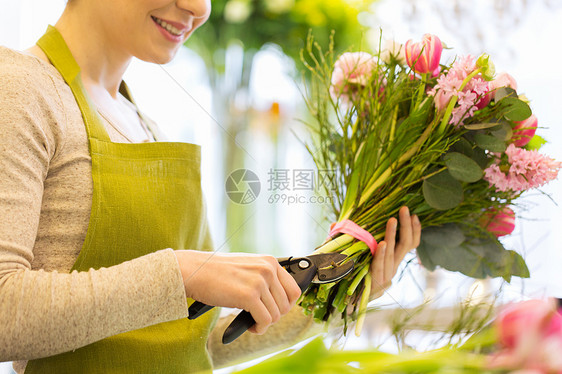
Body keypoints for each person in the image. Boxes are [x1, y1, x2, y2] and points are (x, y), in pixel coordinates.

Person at [0, 0, 421, 372]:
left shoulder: (144, 124)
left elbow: (190, 346)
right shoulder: (20, 88)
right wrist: (183, 274)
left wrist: (339, 295)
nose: (198, 8)